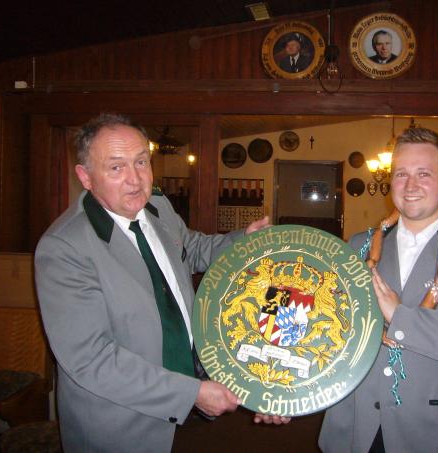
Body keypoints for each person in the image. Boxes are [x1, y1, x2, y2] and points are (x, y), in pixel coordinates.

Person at [34, 113, 281, 452]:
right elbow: (92, 359)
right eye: (116, 167)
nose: (135, 180)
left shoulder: (158, 207)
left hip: (191, 400)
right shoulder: (65, 248)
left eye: (141, 162)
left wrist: (242, 240)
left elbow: (191, 248)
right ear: (86, 177)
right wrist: (189, 394)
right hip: (121, 424)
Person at [318, 127, 438, 452]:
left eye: (424, 174)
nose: (410, 186)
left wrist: (400, 316)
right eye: (401, 174)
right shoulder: (357, 246)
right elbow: (330, 326)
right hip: (356, 423)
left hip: (433, 430)